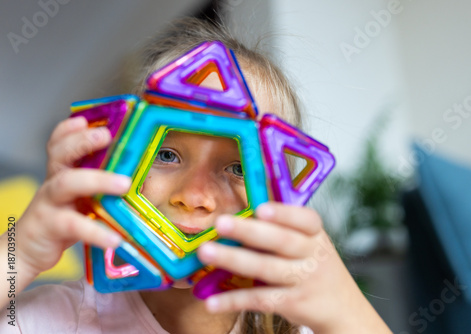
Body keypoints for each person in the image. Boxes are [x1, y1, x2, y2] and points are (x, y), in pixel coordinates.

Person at [0, 17, 391, 334]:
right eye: (167, 154)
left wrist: (346, 314)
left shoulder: (294, 327)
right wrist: (19, 251)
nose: (194, 195)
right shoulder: (61, 319)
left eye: (238, 168)